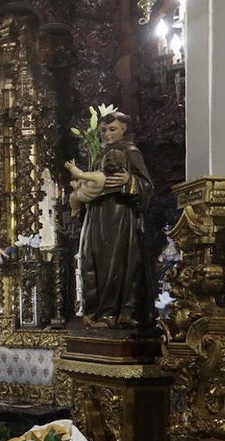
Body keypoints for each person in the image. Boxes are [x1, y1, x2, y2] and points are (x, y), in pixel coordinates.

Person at [76, 110, 154, 328]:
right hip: (98, 213)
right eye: (103, 130)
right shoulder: (99, 154)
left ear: (124, 129)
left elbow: (147, 186)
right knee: (95, 261)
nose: (107, 134)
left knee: (114, 262)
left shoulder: (130, 151)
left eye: (112, 129)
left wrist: (130, 181)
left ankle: (114, 312)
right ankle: (99, 312)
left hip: (119, 214)